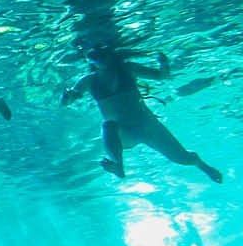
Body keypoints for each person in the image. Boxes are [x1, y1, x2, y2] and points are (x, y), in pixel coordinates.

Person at [62, 46, 221, 182]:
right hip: (124, 133)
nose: (100, 60)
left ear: (110, 56)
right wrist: (66, 97)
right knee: (108, 125)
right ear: (91, 62)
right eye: (95, 58)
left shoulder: (128, 69)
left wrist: (164, 63)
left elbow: (162, 76)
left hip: (148, 126)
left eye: (102, 55)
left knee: (182, 158)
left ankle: (202, 165)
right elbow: (67, 102)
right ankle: (118, 166)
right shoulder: (88, 80)